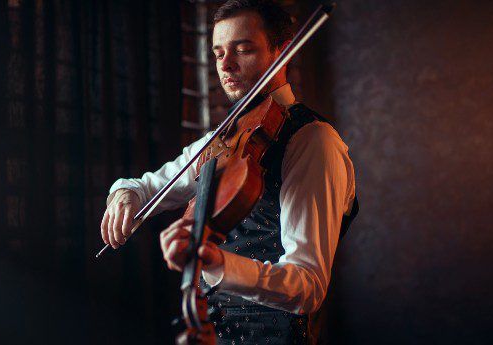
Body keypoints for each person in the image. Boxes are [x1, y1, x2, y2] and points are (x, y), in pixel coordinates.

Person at [100, 1, 358, 343]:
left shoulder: (312, 141)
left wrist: (218, 263)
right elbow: (147, 186)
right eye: (219, 52)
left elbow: (307, 284)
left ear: (282, 52)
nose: (226, 64)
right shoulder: (221, 139)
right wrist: (124, 194)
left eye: (244, 49)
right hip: (212, 331)